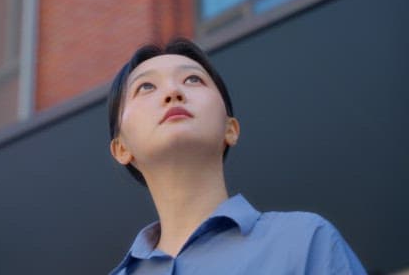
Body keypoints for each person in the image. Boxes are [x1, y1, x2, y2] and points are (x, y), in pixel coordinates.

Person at [107, 38, 365, 274]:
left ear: (230, 129)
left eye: (193, 80)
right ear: (122, 149)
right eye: (146, 86)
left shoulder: (305, 241)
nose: (173, 93)